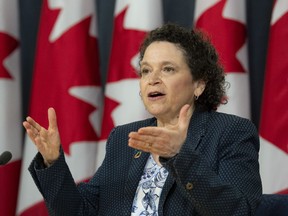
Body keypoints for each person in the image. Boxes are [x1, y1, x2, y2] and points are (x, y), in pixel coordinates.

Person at [23, 23, 262, 215]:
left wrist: (180, 157)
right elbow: (81, 210)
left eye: (167, 69)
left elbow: (240, 210)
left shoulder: (231, 132)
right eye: (146, 70)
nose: (152, 79)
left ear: (199, 84)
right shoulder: (124, 139)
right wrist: (53, 162)